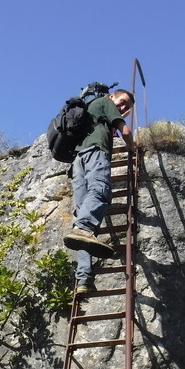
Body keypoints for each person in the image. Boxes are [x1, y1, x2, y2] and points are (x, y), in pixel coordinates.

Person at [63, 89, 135, 294]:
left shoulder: (90, 108)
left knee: (83, 224)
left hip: (78, 162)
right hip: (96, 152)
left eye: (127, 107)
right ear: (112, 95)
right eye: (122, 102)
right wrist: (132, 146)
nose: (123, 108)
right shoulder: (105, 101)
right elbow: (126, 132)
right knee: (101, 193)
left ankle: (83, 279)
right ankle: (84, 227)